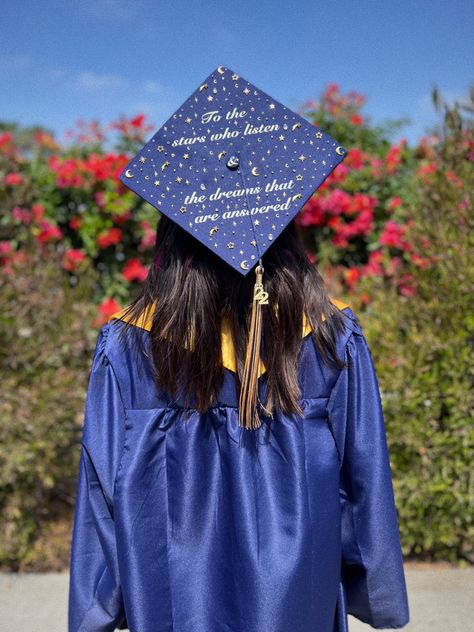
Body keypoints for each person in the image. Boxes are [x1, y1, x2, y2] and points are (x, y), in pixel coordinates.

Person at [68, 66, 409, 632]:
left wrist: (101, 608)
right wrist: (373, 587)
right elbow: (363, 483)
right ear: (285, 229)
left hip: (173, 605)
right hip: (298, 601)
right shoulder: (328, 340)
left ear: (172, 232)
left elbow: (102, 496)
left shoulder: (129, 348)